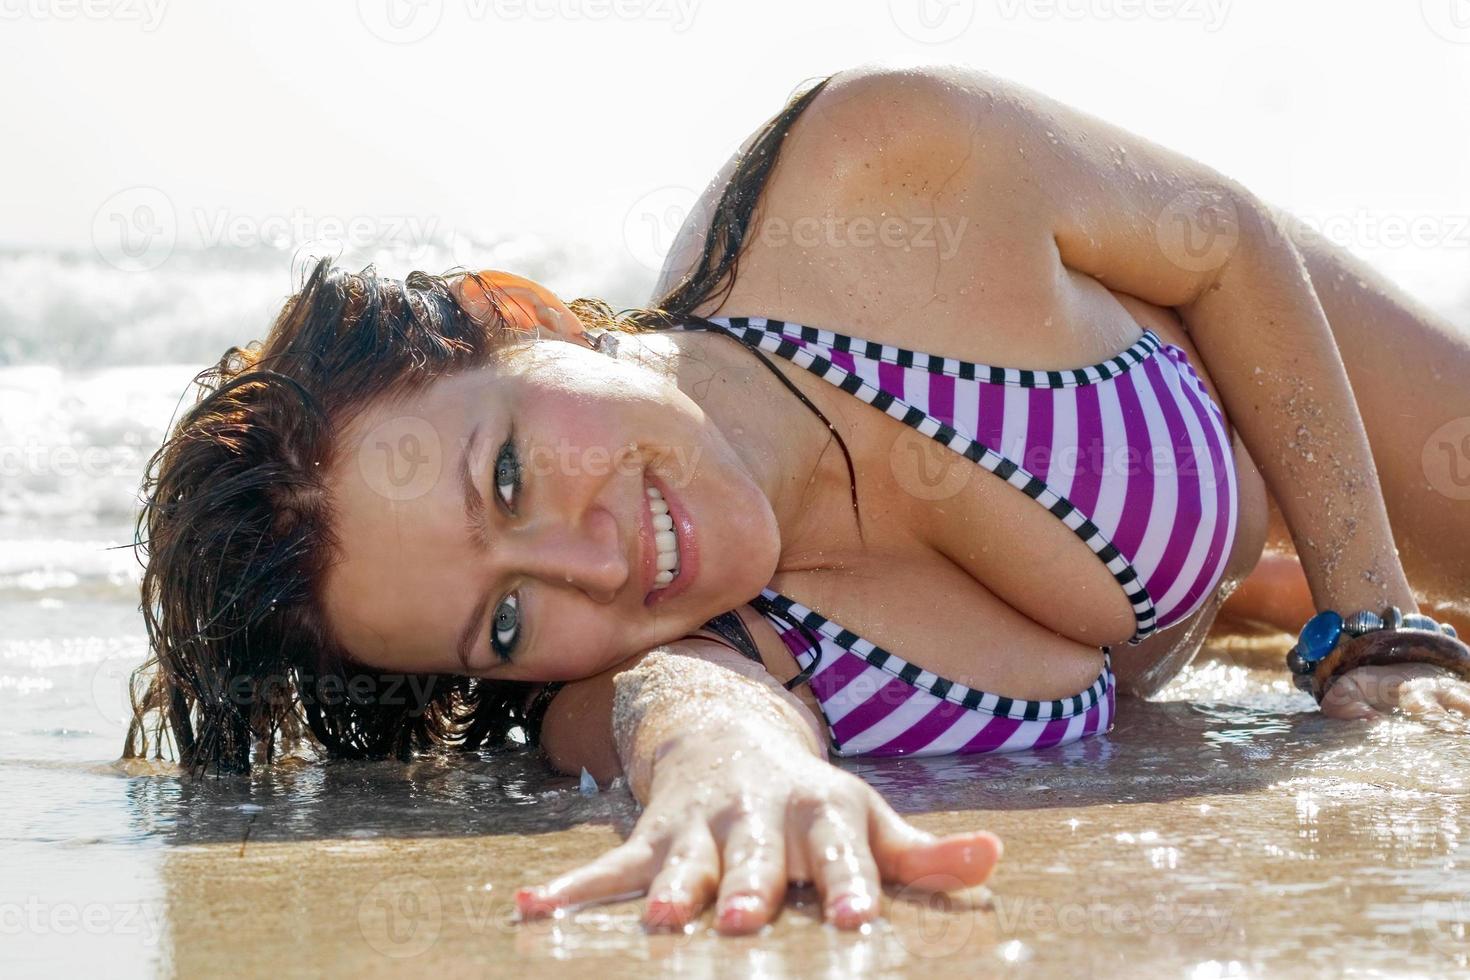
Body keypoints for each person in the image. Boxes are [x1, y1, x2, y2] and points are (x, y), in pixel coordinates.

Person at [129, 65, 1470, 936]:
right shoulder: (664, 662)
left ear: (517, 316)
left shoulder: (874, 171)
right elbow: (690, 719)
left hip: (1276, 391)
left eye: (510, 476)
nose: (592, 569)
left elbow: (1216, 244)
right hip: (1194, 580)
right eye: (500, 623)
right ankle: (1255, 600)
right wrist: (737, 764)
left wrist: (1373, 626)